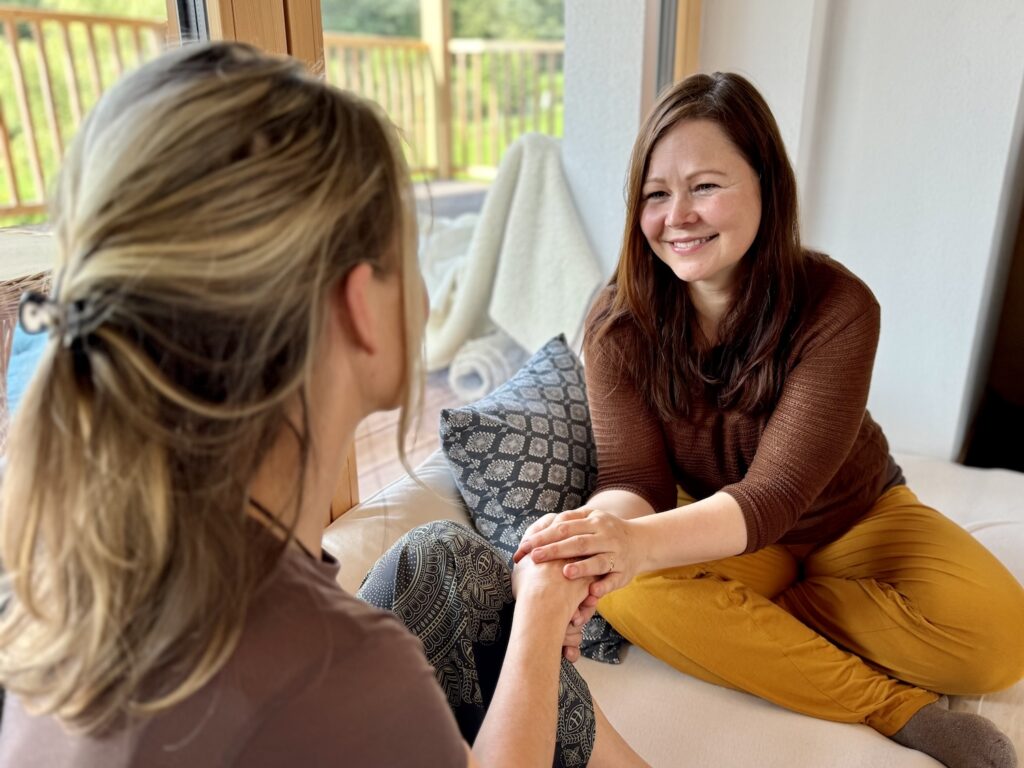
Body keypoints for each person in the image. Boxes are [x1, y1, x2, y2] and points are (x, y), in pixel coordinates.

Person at [0, 42, 647, 768]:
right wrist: (538, 620)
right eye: (411, 248)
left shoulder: (86, 568)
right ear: (358, 305)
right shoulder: (339, 677)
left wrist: (536, 602)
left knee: (442, 561)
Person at [515, 71, 1024, 768]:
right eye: (656, 195)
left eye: (705, 186)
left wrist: (637, 546)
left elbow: (776, 494)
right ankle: (896, 709)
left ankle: (770, 621)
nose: (678, 216)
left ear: (766, 186)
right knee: (624, 595)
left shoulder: (839, 305)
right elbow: (635, 479)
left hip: (855, 516)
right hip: (726, 535)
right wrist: (604, 534)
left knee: (1003, 640)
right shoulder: (617, 324)